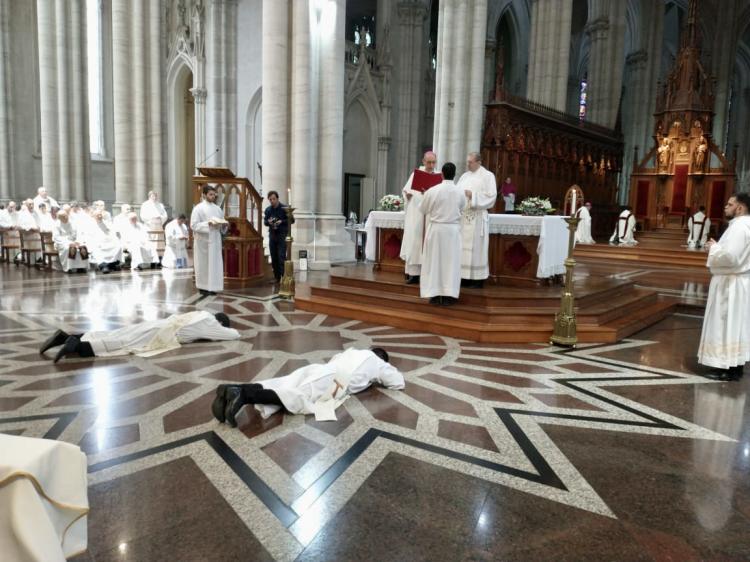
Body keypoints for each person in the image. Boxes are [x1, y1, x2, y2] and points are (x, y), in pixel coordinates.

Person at [211, 347, 404, 426]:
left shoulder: (352, 351)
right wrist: (377, 376)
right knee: (295, 398)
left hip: (320, 370)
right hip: (335, 381)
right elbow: (397, 382)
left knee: (282, 383)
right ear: (381, 358)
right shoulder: (378, 362)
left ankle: (233, 389)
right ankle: (242, 395)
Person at [40, 311, 239, 363]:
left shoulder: (199, 314)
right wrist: (222, 329)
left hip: (159, 324)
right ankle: (76, 347)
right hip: (161, 334)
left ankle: (66, 336)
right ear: (219, 322)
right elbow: (233, 335)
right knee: (123, 344)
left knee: (118, 333)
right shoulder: (211, 322)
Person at [697, 193, 750, 381]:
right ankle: (733, 367)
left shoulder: (739, 227)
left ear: (740, 208)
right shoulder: (744, 225)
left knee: (725, 324)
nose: (726, 207)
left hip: (730, 284)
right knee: (736, 325)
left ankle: (726, 368)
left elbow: (730, 257)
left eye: (730, 204)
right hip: (738, 282)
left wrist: (713, 247)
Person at [419, 162, 466, 305]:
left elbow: (423, 209)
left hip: (436, 230)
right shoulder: (460, 191)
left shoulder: (433, 190)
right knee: (451, 263)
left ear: (442, 174)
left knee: (434, 262)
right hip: (452, 231)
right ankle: (449, 295)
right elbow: (462, 208)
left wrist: (424, 195)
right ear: (455, 174)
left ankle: (434, 294)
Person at [457, 152, 497, 287]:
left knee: (477, 249)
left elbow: (491, 196)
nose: (468, 164)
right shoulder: (464, 176)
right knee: (462, 248)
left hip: (478, 217)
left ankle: (477, 280)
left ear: (479, 162)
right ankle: (464, 277)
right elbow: (457, 193)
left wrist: (473, 195)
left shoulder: (488, 176)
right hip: (464, 218)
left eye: (470, 162)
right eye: (467, 162)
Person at [399, 151, 439, 284]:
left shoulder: (438, 177)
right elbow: (406, 190)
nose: (431, 165)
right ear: (423, 161)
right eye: (429, 162)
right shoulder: (416, 174)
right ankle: (413, 274)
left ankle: (427, 274)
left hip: (430, 216)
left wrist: (428, 193)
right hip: (416, 214)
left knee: (428, 244)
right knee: (414, 243)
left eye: (433, 162)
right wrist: (407, 195)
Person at [191, 184, 226, 295]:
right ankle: (203, 287)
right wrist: (208, 224)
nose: (213, 196)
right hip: (203, 242)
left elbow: (221, 224)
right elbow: (194, 225)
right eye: (210, 194)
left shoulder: (217, 209)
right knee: (203, 265)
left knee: (214, 264)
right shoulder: (198, 208)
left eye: (214, 195)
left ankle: (212, 287)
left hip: (215, 240)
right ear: (204, 195)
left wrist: (224, 225)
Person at [263, 190, 293, 283]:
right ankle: (277, 278)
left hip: (282, 235)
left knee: (281, 256)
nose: (272, 201)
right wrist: (269, 222)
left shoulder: (285, 208)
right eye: (270, 199)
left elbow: (292, 220)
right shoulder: (268, 210)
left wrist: (281, 221)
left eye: (274, 199)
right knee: (274, 256)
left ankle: (284, 277)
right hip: (272, 235)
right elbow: (265, 222)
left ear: (277, 199)